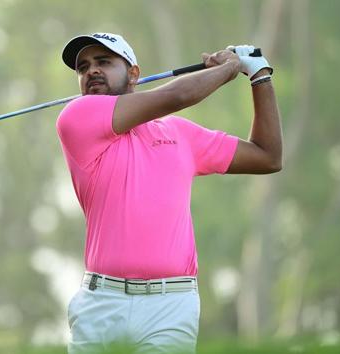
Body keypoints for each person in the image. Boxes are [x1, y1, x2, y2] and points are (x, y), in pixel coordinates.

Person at [55, 32, 282, 354]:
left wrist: (259, 76)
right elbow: (179, 95)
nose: (91, 71)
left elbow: (267, 156)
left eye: (103, 62)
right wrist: (229, 68)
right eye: (83, 67)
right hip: (102, 303)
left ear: (134, 73)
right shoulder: (78, 117)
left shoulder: (180, 134)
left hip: (171, 305)